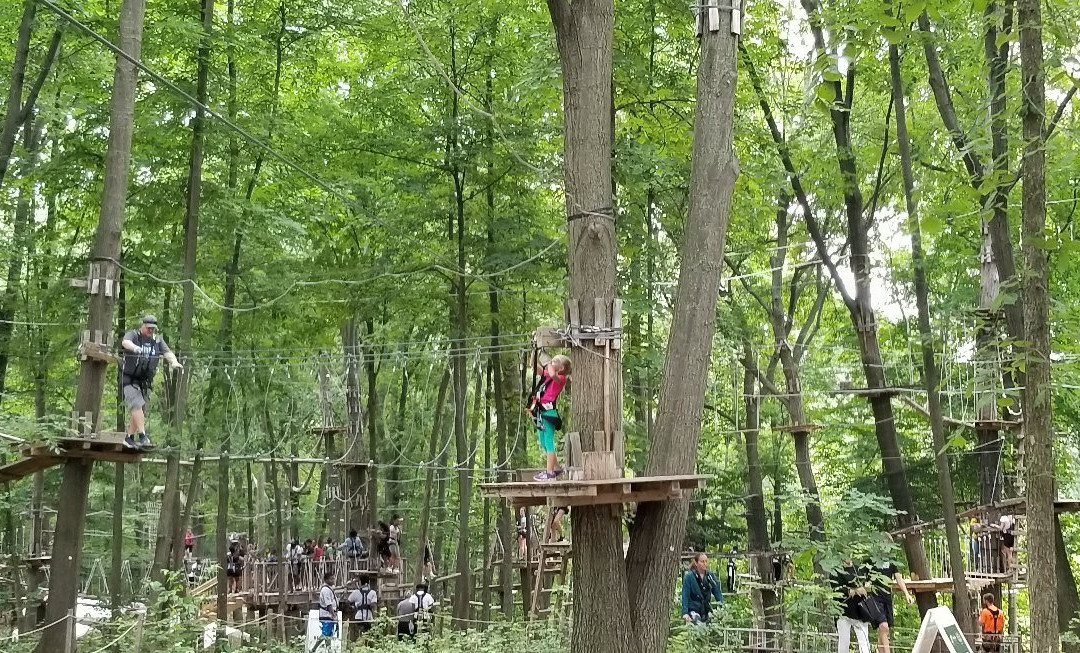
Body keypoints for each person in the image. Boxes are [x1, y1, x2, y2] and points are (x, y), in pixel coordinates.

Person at [120, 315, 182, 449]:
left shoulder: (157, 341)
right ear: (142, 326)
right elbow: (125, 342)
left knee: (140, 409)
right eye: (148, 328)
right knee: (137, 405)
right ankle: (143, 436)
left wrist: (174, 362)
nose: (150, 331)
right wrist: (135, 348)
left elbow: (167, 352)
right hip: (129, 379)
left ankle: (129, 438)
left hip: (145, 381)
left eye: (153, 329)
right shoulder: (133, 335)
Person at [527, 353, 571, 481]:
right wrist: (534, 353)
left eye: (555, 361)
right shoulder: (547, 375)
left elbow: (552, 374)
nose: (552, 361)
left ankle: (550, 472)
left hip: (549, 413)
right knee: (542, 442)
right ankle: (556, 467)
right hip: (541, 412)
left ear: (561, 368)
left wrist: (548, 362)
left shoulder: (561, 378)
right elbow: (535, 367)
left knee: (548, 441)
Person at [866, 553, 914, 653]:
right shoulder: (871, 560)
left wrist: (907, 594)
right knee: (884, 627)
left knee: (882, 630)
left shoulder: (892, 560)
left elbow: (899, 578)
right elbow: (864, 580)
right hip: (874, 599)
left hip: (886, 599)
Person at [830, 559, 872, 653]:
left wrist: (865, 589)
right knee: (844, 642)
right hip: (843, 612)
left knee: (864, 643)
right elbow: (837, 589)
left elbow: (868, 585)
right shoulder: (836, 571)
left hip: (860, 611)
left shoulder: (859, 569)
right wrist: (854, 591)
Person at [681, 553, 724, 624]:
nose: (705, 563)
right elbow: (685, 595)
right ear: (696, 562)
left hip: (706, 609)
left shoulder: (710, 576)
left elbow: (717, 592)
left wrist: (722, 607)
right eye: (702, 561)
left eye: (706, 561)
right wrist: (685, 612)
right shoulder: (689, 577)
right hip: (693, 609)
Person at [311, 571, 338, 653]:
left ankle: (328, 649)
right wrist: (334, 615)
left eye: (333, 578)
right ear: (326, 580)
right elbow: (328, 604)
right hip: (327, 615)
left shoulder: (329, 588)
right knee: (325, 633)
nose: (333, 580)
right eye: (331, 579)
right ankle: (313, 649)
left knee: (329, 634)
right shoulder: (326, 590)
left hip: (328, 615)